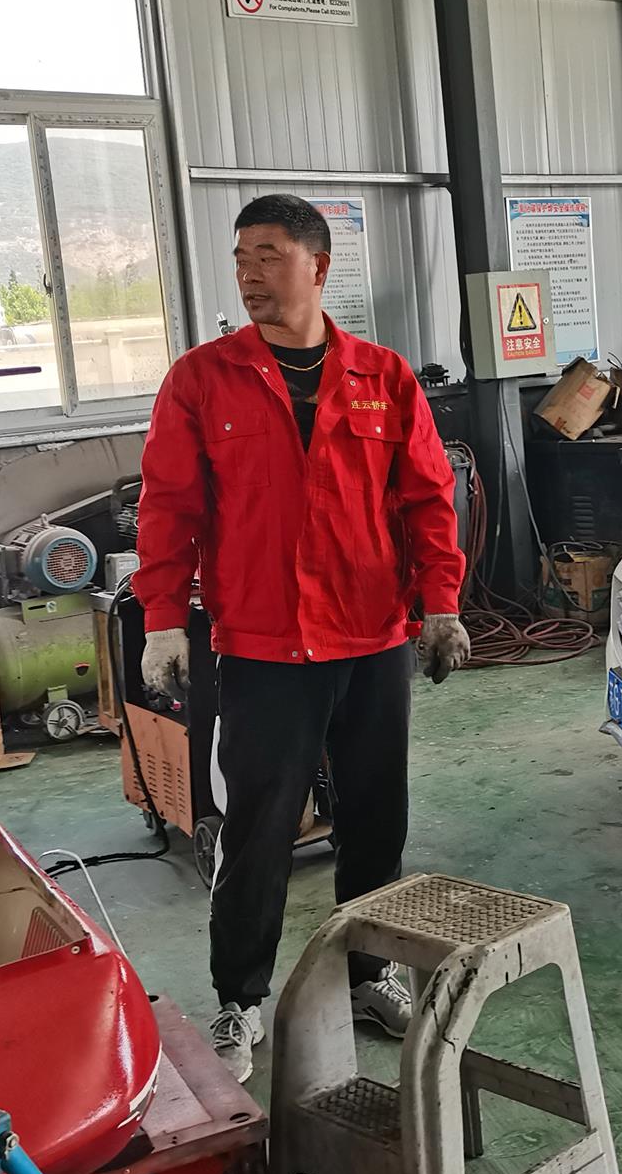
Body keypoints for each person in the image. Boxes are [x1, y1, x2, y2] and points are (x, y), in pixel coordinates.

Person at [136, 193, 471, 1082]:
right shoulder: (202, 380)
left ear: (317, 267)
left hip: (370, 637)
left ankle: (369, 972)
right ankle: (239, 1000)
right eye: (240, 257)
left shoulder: (382, 376)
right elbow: (168, 507)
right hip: (262, 645)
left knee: (376, 820)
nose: (249, 275)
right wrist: (163, 618)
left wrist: (441, 604)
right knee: (257, 827)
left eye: (269, 255)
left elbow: (427, 498)